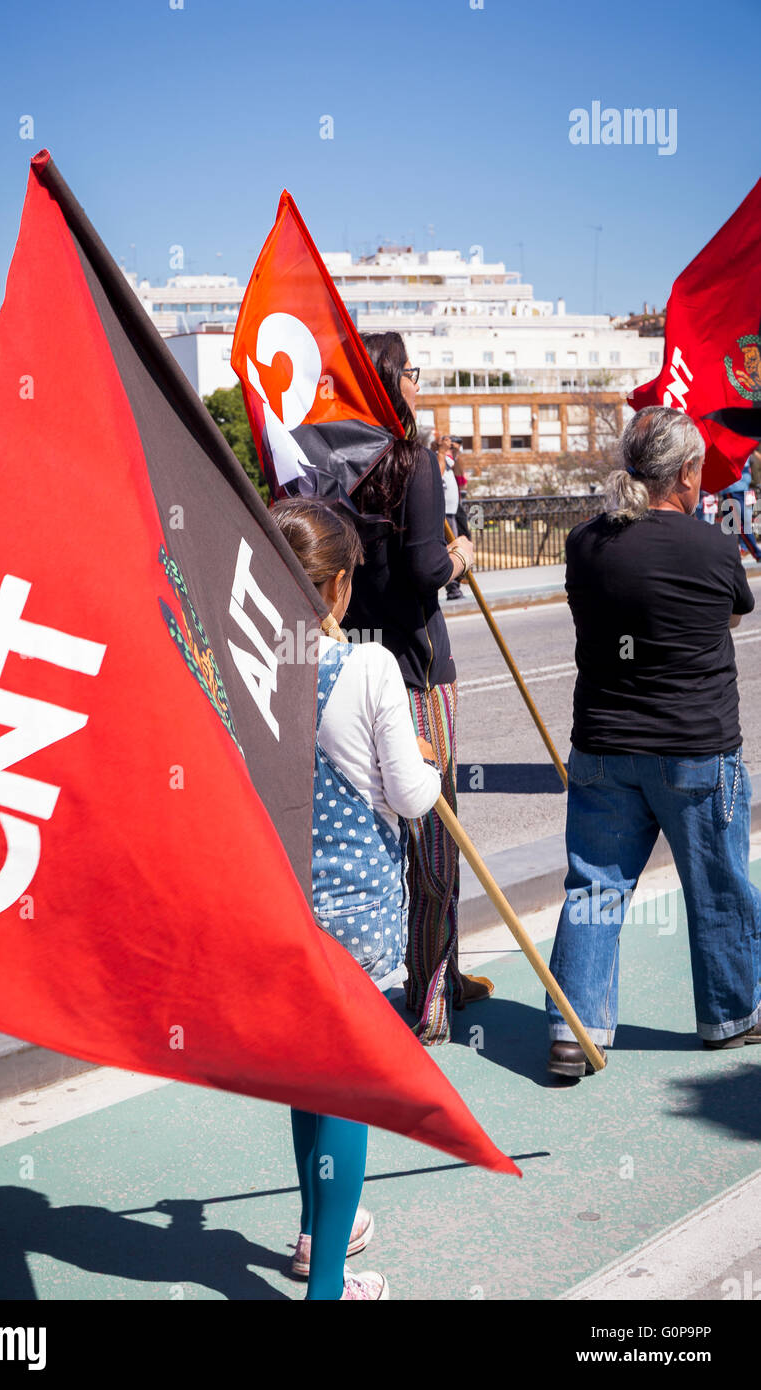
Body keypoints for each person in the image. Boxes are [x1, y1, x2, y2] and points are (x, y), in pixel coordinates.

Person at [547, 405, 761, 1077]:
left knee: (593, 889)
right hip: (697, 751)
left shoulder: (586, 543)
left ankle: (572, 1029)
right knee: (719, 886)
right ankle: (729, 1019)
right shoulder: (715, 549)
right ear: (689, 474)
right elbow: (730, 610)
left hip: (604, 748)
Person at [273, 496, 443, 1299]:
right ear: (339, 586)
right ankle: (329, 1287)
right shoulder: (369, 667)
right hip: (359, 911)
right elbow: (410, 797)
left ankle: (316, 1236)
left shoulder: (254, 666)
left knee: (308, 1078)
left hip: (280, 904)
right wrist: (433, 764)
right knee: (350, 1089)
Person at [344, 332, 491, 1045]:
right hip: (421, 672)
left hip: (354, 666)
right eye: (414, 371)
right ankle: (432, 992)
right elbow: (430, 567)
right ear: (394, 379)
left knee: (380, 825)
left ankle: (444, 970)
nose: (420, 383)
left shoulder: (335, 465)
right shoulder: (414, 462)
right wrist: (461, 552)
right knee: (435, 830)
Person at [436, 434, 471, 601]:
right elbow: (439, 472)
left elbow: (462, 480)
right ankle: (452, 588)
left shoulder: (452, 462)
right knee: (451, 548)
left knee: (460, 543)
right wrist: (444, 451)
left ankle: (457, 583)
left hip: (453, 510)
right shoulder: (440, 458)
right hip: (444, 513)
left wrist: (455, 453)